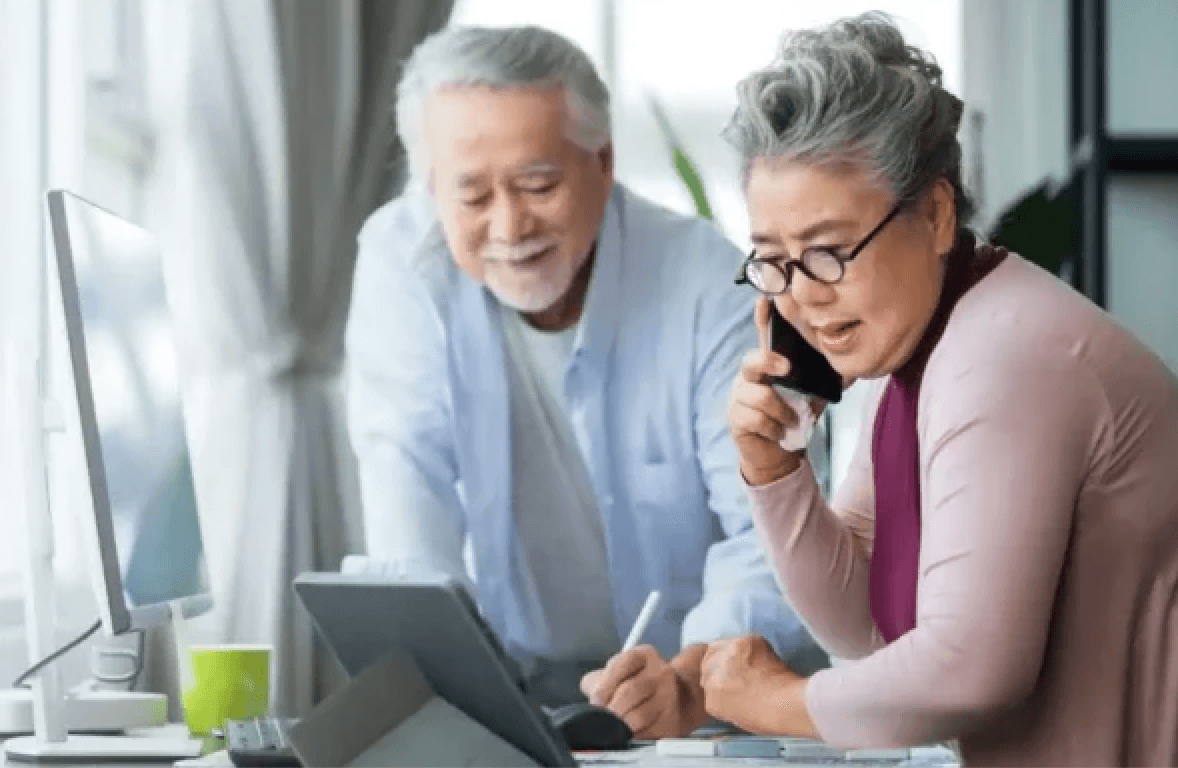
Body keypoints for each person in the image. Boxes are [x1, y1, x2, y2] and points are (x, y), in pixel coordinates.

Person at [699, 12, 1178, 767]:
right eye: (774, 262)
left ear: (935, 215)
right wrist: (776, 472)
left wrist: (779, 702)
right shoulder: (924, 354)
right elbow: (867, 627)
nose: (804, 296)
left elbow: (968, 669)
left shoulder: (1005, 357)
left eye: (829, 252)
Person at [344, 24, 825, 738]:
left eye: (538, 185)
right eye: (471, 196)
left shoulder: (708, 286)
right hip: (517, 699)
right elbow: (407, 500)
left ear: (603, 162)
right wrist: (447, 687)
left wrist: (690, 681)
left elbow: (773, 534)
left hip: (707, 701)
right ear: (431, 189)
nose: (510, 226)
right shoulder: (401, 262)